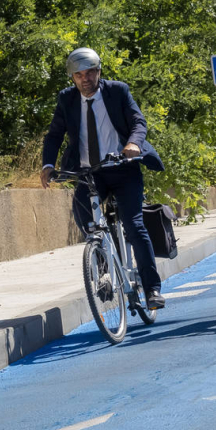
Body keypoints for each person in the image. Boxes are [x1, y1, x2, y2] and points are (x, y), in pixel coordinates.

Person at [40, 47, 165, 308]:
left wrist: (133, 144)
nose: (85, 79)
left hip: (123, 168)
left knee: (133, 225)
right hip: (89, 174)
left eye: (90, 72)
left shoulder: (117, 91)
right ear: (72, 78)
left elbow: (138, 122)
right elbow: (54, 135)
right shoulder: (67, 99)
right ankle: (104, 270)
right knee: (87, 224)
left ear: (99, 72)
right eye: (79, 75)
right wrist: (48, 165)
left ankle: (152, 289)